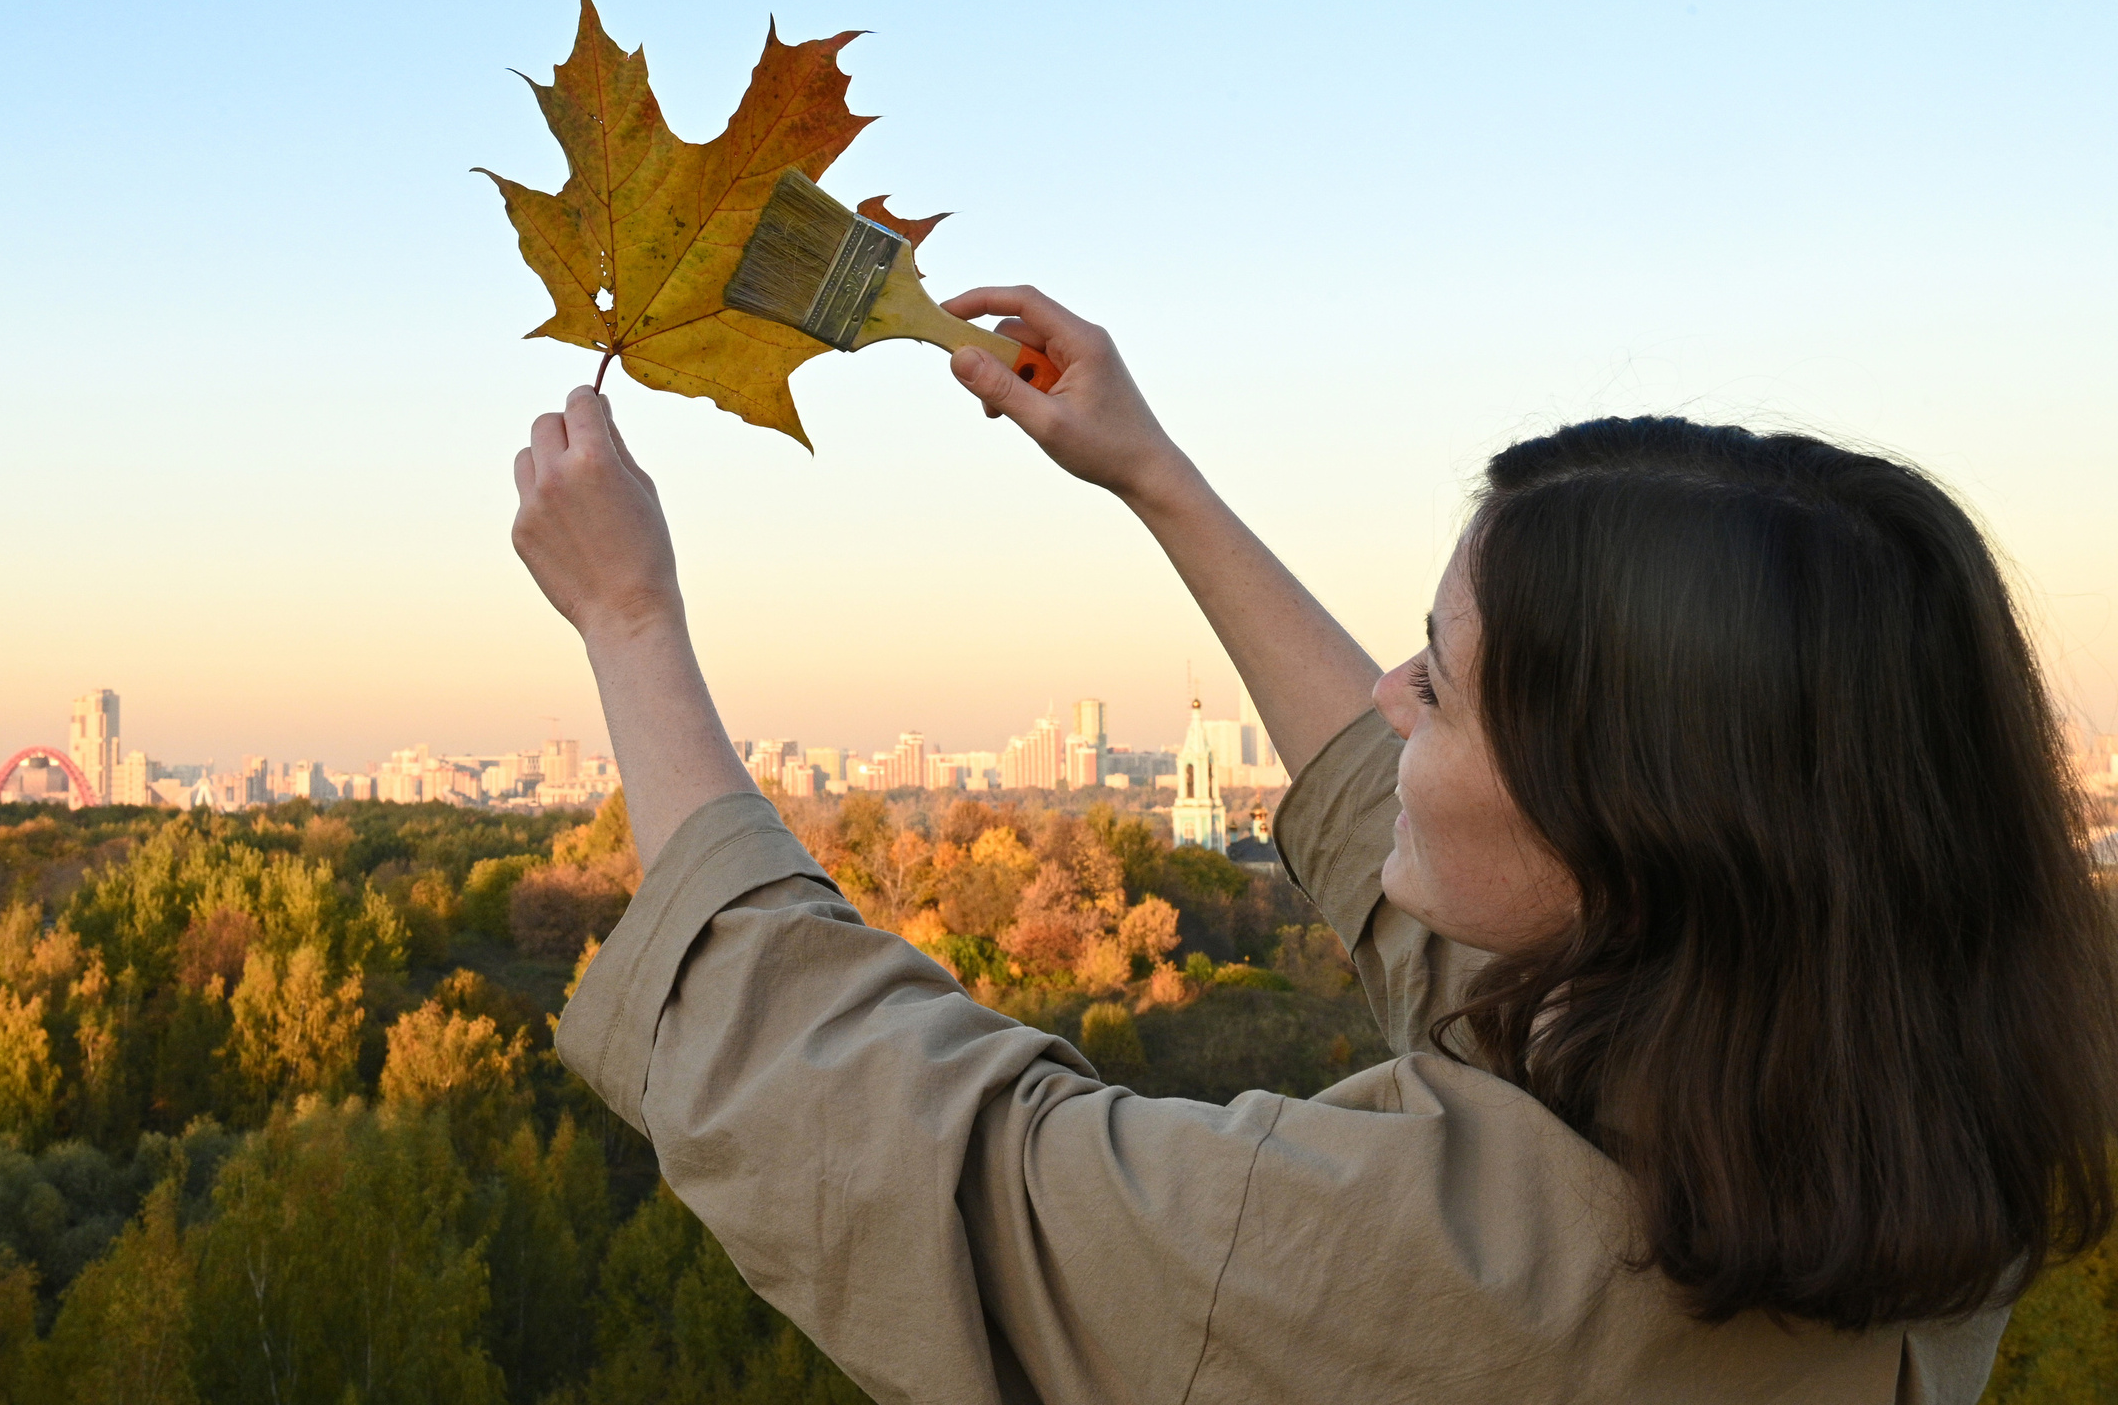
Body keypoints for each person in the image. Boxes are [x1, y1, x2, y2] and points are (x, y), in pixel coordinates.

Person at [511, 284, 2118, 1405]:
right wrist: (1156, 478)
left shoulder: (1428, 1282)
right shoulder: (1892, 1131)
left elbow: (926, 1160)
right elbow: (1422, 862)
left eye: (1446, 680)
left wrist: (630, 619)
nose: (1390, 695)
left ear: (1640, 836)